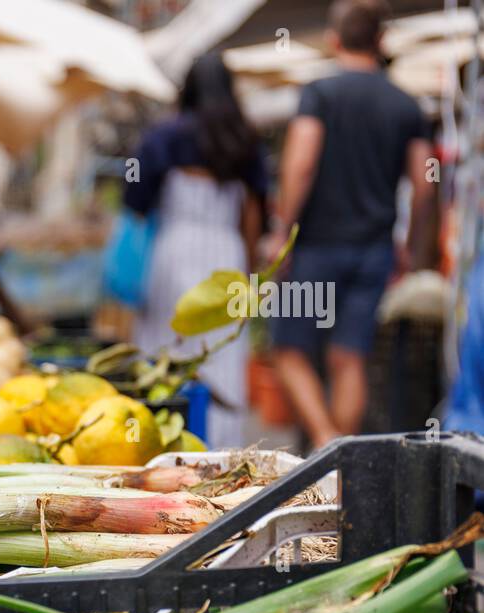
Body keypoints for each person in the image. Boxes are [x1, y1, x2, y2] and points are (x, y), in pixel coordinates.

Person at [266, 0, 434, 449]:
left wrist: (282, 233)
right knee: (349, 356)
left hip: (316, 246)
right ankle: (341, 459)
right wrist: (412, 245)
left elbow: (300, 165)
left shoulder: (320, 94)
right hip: (374, 248)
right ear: (380, 41)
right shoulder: (405, 104)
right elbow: (425, 183)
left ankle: (323, 441)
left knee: (287, 347)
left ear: (333, 39)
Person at [123, 53, 268, 449]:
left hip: (173, 251)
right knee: (222, 354)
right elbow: (254, 210)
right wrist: (250, 268)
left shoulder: (163, 137)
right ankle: (220, 450)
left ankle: (165, 442)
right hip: (227, 255)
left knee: (165, 349)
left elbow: (134, 201)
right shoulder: (245, 140)